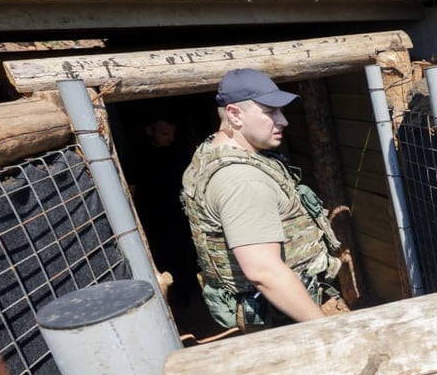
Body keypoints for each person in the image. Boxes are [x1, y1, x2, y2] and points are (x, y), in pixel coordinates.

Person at [181, 69, 342, 330]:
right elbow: (264, 271)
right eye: (270, 112)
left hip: (278, 310)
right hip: (282, 317)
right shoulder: (242, 180)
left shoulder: (212, 152)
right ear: (234, 114)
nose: (283, 121)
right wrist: (323, 328)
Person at [126, 117, 200, 308]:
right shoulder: (137, 156)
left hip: (181, 215)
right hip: (153, 218)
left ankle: (188, 299)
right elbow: (131, 190)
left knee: (187, 257)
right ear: (149, 131)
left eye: (173, 134)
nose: (171, 139)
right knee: (163, 259)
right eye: (165, 133)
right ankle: (171, 304)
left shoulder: (179, 154)